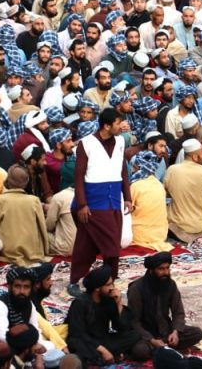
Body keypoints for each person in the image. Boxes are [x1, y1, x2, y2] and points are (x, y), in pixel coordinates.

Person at [69, 108, 132, 297]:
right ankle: (106, 279)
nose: (122, 126)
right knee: (109, 247)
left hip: (113, 201)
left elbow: (123, 171)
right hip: (93, 202)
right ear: (107, 125)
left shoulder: (120, 142)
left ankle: (88, 280)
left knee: (86, 244)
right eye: (118, 123)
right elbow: (78, 177)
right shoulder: (86, 144)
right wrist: (82, 204)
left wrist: (127, 197)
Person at [127, 252, 202, 360]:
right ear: (151, 270)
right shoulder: (136, 289)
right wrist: (152, 340)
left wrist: (175, 332)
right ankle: (164, 350)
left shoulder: (170, 284)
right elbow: (134, 322)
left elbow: (178, 312)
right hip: (146, 335)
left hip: (166, 332)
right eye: (161, 269)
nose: (166, 272)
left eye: (167, 268)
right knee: (140, 351)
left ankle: (164, 349)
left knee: (197, 333)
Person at [66, 266, 144, 366]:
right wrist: (103, 350)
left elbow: (121, 327)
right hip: (85, 341)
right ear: (97, 288)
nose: (112, 287)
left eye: (112, 283)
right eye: (108, 285)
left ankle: (100, 357)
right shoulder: (80, 303)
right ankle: (103, 356)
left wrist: (118, 303)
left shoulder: (108, 299)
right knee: (77, 346)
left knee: (135, 334)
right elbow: (77, 333)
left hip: (103, 339)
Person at [0, 164, 48, 266]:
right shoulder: (34, 200)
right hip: (32, 252)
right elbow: (42, 227)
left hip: (7, 252)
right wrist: (45, 249)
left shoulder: (0, 200)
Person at [164, 138, 202, 243]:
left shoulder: (172, 170)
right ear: (194, 157)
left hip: (177, 225)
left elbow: (166, 193)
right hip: (200, 226)